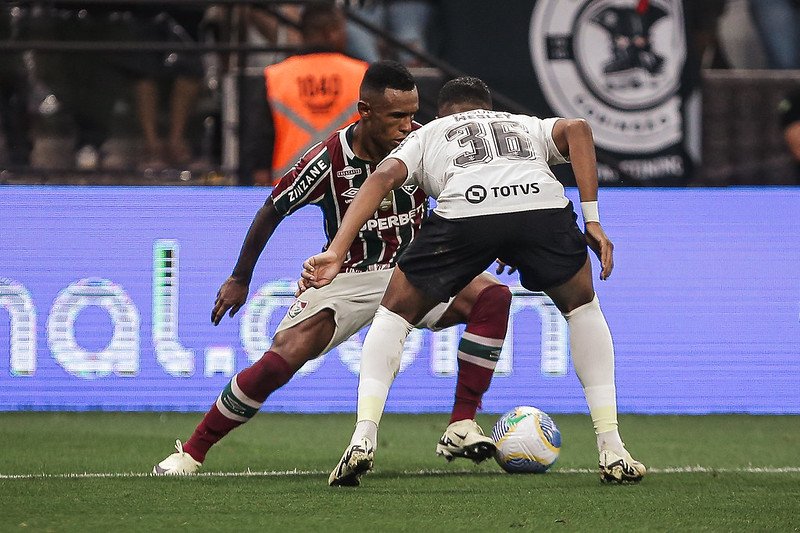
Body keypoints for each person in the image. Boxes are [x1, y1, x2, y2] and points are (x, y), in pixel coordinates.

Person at [153, 62, 512, 478]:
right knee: (278, 362)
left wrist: (500, 240)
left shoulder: (426, 143)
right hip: (349, 276)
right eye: (397, 116)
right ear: (365, 110)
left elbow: (473, 192)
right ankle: (192, 452)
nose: (408, 125)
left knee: (493, 296)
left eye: (413, 114)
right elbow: (273, 209)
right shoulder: (326, 160)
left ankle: (461, 425)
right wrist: (240, 277)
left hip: (414, 272)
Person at [300, 76, 647, 485]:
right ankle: (612, 448)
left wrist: (337, 251)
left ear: (443, 112)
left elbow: (381, 179)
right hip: (541, 205)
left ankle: (363, 438)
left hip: (466, 210)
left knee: (393, 314)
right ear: (488, 106)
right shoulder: (522, 123)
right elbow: (579, 130)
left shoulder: (429, 133)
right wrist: (592, 220)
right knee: (582, 307)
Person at [258, 4, 368, 185]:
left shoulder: (275, 76)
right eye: (342, 28)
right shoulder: (361, 73)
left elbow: (260, 140)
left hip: (290, 189)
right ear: (330, 32)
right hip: (350, 186)